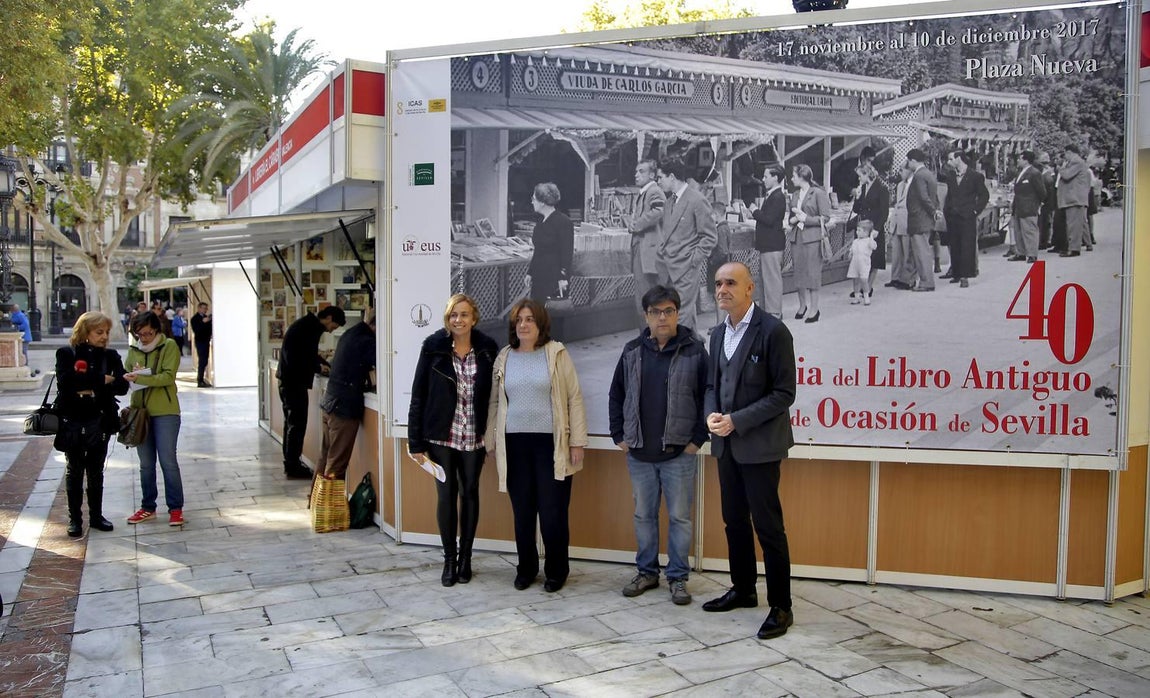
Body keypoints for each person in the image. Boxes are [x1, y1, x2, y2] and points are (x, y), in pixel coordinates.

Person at [703, 261, 797, 641]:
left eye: (730, 283)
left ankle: (781, 606)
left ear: (750, 289)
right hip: (726, 447)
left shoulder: (773, 332)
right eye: (718, 283)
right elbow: (712, 384)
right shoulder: (715, 335)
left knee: (768, 527)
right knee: (734, 522)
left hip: (759, 447)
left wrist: (737, 420)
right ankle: (743, 589)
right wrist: (712, 413)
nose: (722, 289)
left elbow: (784, 394)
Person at [608, 285, 708, 606]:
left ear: (678, 313)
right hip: (639, 452)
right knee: (643, 516)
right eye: (655, 312)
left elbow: (708, 396)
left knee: (679, 517)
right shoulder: (632, 349)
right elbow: (616, 394)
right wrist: (619, 435)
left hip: (679, 453)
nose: (662, 317)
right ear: (646, 316)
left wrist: (696, 440)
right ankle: (647, 572)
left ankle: (678, 578)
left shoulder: (694, 350)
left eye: (668, 311)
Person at [485, 299, 587, 593]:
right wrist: (490, 440)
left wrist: (577, 441)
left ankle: (556, 571)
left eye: (530, 319)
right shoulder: (504, 357)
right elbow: (494, 401)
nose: (524, 325)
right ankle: (526, 569)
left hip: (551, 445)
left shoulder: (556, 354)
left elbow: (574, 398)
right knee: (524, 512)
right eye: (519, 320)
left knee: (553, 512)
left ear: (541, 324)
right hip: (515, 444)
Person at [408, 294, 500, 586]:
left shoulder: (487, 350)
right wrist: (415, 444)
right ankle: (449, 559)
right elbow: (418, 395)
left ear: (474, 318)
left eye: (463, 314)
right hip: (441, 435)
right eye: (452, 315)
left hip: (474, 435)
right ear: (447, 320)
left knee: (470, 492)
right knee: (446, 495)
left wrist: (494, 434)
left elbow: (496, 397)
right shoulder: (433, 349)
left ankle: (466, 558)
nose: (458, 320)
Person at [55, 312, 129, 537]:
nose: (104, 336)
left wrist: (91, 384)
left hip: (101, 419)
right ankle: (75, 520)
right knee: (74, 470)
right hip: (73, 419)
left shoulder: (112, 356)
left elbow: (121, 387)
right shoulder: (66, 353)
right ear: (85, 332)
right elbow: (66, 383)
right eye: (99, 332)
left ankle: (96, 516)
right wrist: (101, 380)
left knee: (96, 471)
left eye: (106, 332)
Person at [124, 311, 186, 527]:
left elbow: (168, 377)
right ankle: (147, 506)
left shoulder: (168, 346)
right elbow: (127, 373)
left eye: (148, 333)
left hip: (165, 411)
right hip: (140, 411)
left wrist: (141, 377)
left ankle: (176, 508)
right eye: (140, 334)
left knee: (168, 461)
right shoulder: (134, 350)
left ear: (157, 330)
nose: (145, 338)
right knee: (146, 464)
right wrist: (129, 377)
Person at [277, 306, 346, 479]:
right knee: (297, 424)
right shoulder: (308, 328)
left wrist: (326, 365)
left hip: (289, 381)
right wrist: (318, 367)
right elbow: (297, 357)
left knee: (292, 423)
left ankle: (291, 463)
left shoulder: (307, 325)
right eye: (334, 326)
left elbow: (308, 354)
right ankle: (292, 466)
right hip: (293, 383)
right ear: (329, 318)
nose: (332, 331)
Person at [656, 159, 717, 333]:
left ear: (672, 177)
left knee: (680, 313)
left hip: (686, 268)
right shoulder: (669, 203)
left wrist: (693, 260)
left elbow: (710, 237)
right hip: (668, 268)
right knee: (680, 312)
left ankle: (679, 355)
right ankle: (693, 349)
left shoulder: (697, 200)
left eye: (660, 177)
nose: (658, 182)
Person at [317, 307, 377, 479]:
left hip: (330, 401)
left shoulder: (351, 333)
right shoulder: (367, 340)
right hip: (343, 409)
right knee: (336, 464)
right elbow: (384, 364)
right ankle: (330, 505)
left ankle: (317, 503)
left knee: (325, 457)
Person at [786, 164, 833, 323]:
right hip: (797, 236)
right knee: (798, 272)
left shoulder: (818, 193)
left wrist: (806, 219)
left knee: (812, 274)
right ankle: (802, 305)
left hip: (812, 238)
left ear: (802, 176)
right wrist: (792, 220)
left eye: (793, 175)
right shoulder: (795, 194)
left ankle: (814, 309)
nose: (792, 179)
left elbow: (825, 217)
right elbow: (791, 215)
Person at [941, 150, 989, 289]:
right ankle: (956, 273)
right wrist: (947, 210)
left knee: (967, 245)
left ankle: (965, 275)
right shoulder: (950, 176)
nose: (949, 162)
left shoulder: (975, 176)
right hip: (953, 215)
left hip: (967, 216)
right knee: (954, 245)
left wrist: (975, 210)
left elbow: (984, 195)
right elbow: (949, 195)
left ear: (959, 159)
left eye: (951, 159)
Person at [626, 159, 666, 315]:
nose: (636, 175)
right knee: (647, 296)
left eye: (641, 171)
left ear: (652, 174)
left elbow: (658, 211)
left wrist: (636, 225)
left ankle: (650, 335)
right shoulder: (645, 192)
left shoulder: (654, 191)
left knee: (645, 296)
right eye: (636, 171)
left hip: (648, 252)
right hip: (643, 251)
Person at [749, 163, 788, 319]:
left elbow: (769, 219)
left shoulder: (778, 196)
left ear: (775, 177)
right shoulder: (772, 195)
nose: (763, 179)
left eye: (766, 176)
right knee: (766, 278)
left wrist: (754, 211)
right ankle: (767, 309)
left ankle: (774, 312)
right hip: (768, 245)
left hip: (772, 244)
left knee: (772, 279)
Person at [526, 182, 574, 302]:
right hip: (539, 277)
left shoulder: (564, 222)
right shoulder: (540, 222)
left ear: (542, 202)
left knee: (553, 315)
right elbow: (538, 250)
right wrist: (530, 272)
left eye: (534, 198)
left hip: (554, 278)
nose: (532, 202)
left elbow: (567, 252)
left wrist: (563, 278)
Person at [852, 163, 889, 299]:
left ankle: (868, 286)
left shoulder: (882, 188)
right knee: (861, 257)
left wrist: (878, 228)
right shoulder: (862, 187)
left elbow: (884, 211)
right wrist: (857, 197)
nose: (859, 179)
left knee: (874, 258)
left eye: (860, 176)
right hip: (863, 226)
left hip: (874, 225)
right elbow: (856, 209)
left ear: (867, 174)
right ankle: (862, 286)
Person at [905, 149, 940, 292]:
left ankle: (927, 282)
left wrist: (933, 211)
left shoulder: (919, 176)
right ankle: (911, 280)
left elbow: (923, 197)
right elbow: (933, 197)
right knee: (917, 252)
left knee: (921, 252)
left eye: (908, 161)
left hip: (918, 219)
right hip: (924, 220)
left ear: (913, 160)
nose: (907, 164)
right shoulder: (929, 174)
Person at [1008, 151, 1047, 264]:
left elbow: (1042, 191)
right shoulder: (1020, 172)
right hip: (1018, 206)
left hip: (1029, 206)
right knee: (1018, 230)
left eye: (1020, 158)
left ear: (1026, 160)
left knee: (1029, 230)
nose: (1018, 161)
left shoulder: (1034, 173)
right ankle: (1021, 252)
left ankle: (1032, 254)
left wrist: (1036, 203)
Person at [884, 164, 916, 291]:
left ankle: (908, 279)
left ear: (909, 171)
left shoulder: (914, 184)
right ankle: (895, 277)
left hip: (907, 220)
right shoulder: (900, 185)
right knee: (897, 252)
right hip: (897, 220)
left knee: (908, 251)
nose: (900, 173)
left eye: (902, 170)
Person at [1057, 144, 1091, 258]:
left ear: (1070, 152)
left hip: (1075, 198)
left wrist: (1060, 168)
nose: (1064, 156)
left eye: (1065, 153)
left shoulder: (1077, 162)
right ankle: (1072, 247)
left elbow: (1066, 175)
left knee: (1074, 225)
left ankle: (1074, 249)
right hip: (1073, 198)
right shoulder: (1075, 162)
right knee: (1072, 224)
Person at [848, 220, 879, 305]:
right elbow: (852, 249)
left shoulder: (869, 241)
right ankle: (856, 297)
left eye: (859, 230)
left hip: (864, 263)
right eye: (857, 230)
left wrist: (872, 236)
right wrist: (850, 253)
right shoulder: (855, 241)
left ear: (866, 232)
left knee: (864, 280)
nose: (857, 232)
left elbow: (873, 246)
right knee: (855, 280)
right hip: (855, 263)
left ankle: (866, 296)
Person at [190, 302, 213, 387]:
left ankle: (202, 379)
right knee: (202, 360)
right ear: (199, 308)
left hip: (206, 341)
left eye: (206, 309)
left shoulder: (206, 318)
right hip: (200, 341)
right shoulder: (195, 319)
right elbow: (197, 330)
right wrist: (203, 322)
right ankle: (200, 380)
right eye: (203, 308)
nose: (205, 310)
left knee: (205, 360)